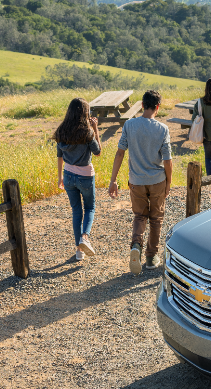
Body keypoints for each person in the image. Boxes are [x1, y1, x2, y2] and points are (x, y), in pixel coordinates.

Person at [108, 89, 173, 275]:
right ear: (157, 107)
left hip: (136, 180)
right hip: (157, 180)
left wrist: (113, 180)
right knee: (156, 218)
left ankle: (136, 245)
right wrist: (168, 182)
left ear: (142, 105)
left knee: (139, 216)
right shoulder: (163, 129)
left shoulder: (129, 125)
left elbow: (120, 152)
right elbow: (167, 161)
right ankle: (151, 257)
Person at [54, 98, 102, 262]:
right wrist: (95, 128)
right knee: (89, 208)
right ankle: (84, 238)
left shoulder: (61, 131)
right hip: (85, 175)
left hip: (68, 175)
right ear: (85, 113)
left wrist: (60, 177)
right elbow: (98, 152)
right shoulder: (87, 132)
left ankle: (78, 251)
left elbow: (60, 157)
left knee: (76, 211)